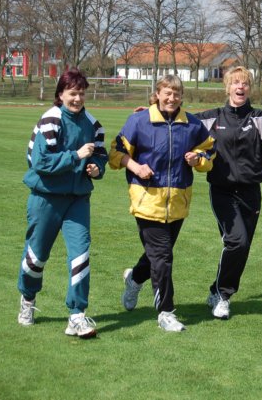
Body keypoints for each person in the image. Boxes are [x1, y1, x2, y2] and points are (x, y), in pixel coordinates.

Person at [110, 74, 214, 332]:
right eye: (167, 93)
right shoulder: (139, 121)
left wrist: (198, 159)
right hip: (147, 201)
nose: (172, 98)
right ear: (157, 94)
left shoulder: (192, 124)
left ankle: (134, 279)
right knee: (163, 258)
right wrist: (136, 167)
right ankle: (166, 313)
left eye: (177, 93)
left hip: (178, 203)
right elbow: (116, 152)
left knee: (156, 257)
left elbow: (210, 151)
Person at [195, 66, 262, 320]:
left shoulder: (258, 119)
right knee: (236, 241)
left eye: (245, 83)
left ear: (249, 88)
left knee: (243, 246)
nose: (240, 87)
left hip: (251, 192)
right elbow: (181, 122)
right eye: (235, 83)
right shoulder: (211, 118)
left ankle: (216, 291)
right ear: (227, 87)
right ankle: (223, 296)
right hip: (222, 191)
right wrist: (150, 114)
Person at [16, 67, 108, 339]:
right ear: (61, 94)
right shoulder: (50, 120)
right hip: (46, 198)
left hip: (77, 199)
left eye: (81, 93)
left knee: (80, 254)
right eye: (72, 93)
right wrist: (76, 156)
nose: (77, 99)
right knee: (36, 256)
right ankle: (28, 299)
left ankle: (77, 315)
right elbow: (40, 163)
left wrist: (96, 168)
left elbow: (100, 155)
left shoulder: (94, 124)